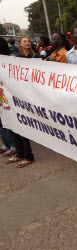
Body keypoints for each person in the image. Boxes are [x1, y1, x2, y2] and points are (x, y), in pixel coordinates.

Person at [5, 36, 38, 168]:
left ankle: (28, 156)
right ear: (19, 44)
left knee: (24, 127)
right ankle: (19, 153)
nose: (27, 42)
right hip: (18, 96)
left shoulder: (35, 57)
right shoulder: (16, 59)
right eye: (24, 41)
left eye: (28, 41)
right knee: (15, 125)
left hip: (32, 97)